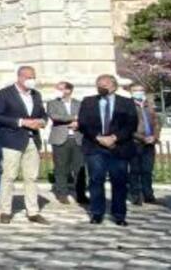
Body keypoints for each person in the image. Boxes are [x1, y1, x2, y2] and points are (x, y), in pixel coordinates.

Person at [78, 73, 138, 226]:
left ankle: (119, 214)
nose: (102, 87)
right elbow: (83, 123)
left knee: (119, 181)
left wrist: (114, 138)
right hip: (95, 146)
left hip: (118, 147)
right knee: (95, 180)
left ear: (114, 86)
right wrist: (98, 138)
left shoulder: (126, 103)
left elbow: (131, 124)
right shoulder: (88, 101)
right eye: (99, 84)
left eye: (105, 84)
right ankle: (97, 213)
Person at [0, 65, 48, 224]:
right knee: (9, 176)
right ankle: (5, 211)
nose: (32, 80)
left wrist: (41, 121)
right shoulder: (5, 93)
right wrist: (21, 122)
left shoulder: (36, 95)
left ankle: (33, 211)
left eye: (33, 77)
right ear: (20, 77)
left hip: (32, 140)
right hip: (12, 140)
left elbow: (43, 114)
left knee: (31, 177)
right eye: (29, 77)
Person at [46, 81, 87, 205]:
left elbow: (85, 117)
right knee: (61, 168)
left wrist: (79, 123)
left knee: (80, 169)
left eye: (61, 88)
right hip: (60, 139)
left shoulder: (79, 103)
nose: (58, 91)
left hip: (77, 139)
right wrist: (74, 118)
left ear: (69, 90)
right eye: (57, 88)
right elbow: (54, 116)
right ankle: (62, 194)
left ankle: (81, 194)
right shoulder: (52, 103)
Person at [127, 82, 160, 206]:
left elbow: (157, 123)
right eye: (136, 90)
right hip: (135, 142)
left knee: (147, 170)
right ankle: (135, 195)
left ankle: (148, 195)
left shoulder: (149, 105)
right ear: (131, 92)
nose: (139, 93)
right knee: (135, 170)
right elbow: (127, 127)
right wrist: (142, 138)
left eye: (141, 90)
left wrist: (155, 136)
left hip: (150, 143)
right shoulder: (127, 106)